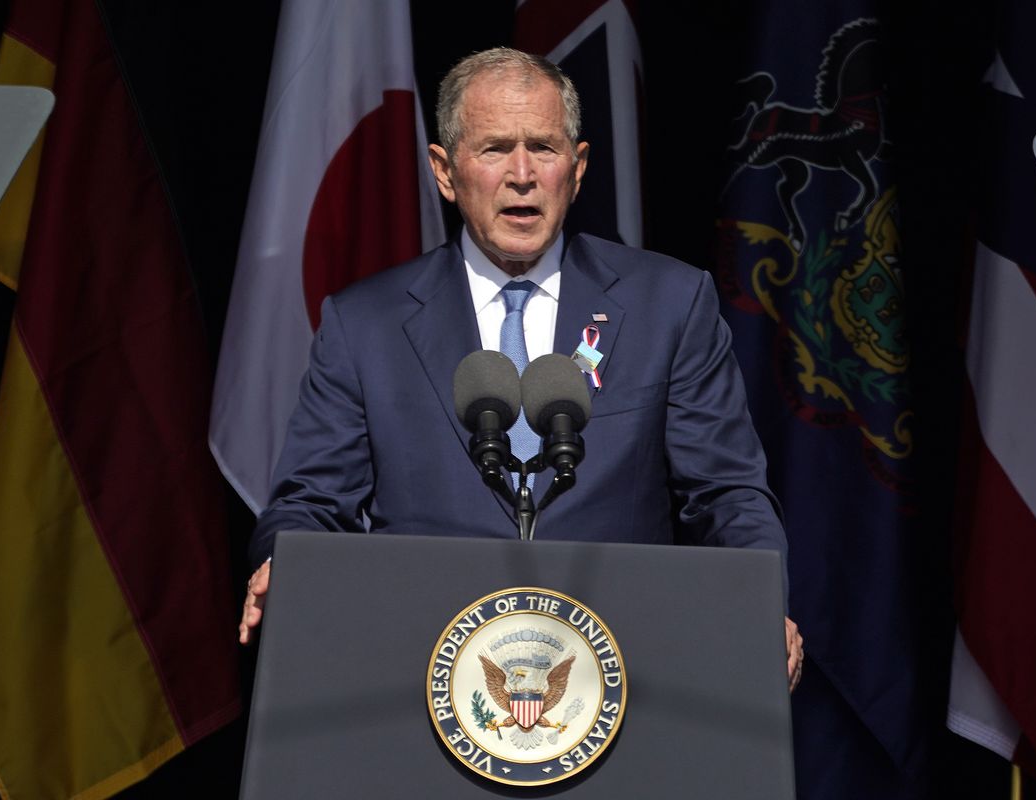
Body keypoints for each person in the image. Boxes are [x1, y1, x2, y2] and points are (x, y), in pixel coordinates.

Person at [238, 48, 803, 690]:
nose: (522, 174)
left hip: (626, 674)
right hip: (421, 677)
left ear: (578, 167)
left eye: (543, 147)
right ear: (445, 172)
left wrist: (760, 596)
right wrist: (286, 562)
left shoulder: (669, 305)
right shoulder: (363, 325)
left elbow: (728, 494)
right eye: (494, 149)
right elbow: (309, 504)